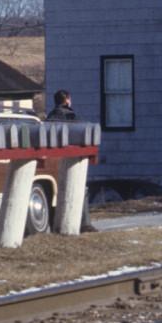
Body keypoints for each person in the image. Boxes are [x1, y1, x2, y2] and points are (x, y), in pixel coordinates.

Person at [45, 89, 95, 230]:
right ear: (67, 99)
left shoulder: (50, 116)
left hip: (53, 159)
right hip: (70, 158)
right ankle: (84, 224)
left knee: (58, 191)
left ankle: (55, 223)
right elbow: (78, 136)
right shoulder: (71, 116)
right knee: (81, 189)